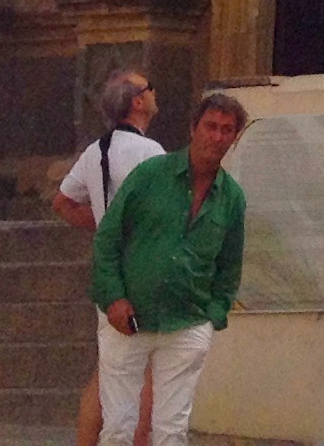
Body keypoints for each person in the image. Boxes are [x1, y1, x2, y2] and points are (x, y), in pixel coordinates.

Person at [91, 90, 250, 446]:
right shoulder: (151, 175)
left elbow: (229, 264)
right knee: (118, 425)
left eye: (227, 129)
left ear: (235, 137)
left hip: (187, 322)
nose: (218, 136)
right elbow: (107, 238)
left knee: (171, 430)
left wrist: (214, 314)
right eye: (210, 126)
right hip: (128, 317)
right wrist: (113, 297)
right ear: (193, 128)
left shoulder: (232, 197)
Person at [56, 71, 164, 446]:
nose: (153, 93)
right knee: (147, 374)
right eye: (149, 88)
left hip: (109, 273)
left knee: (108, 372)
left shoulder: (96, 150)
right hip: (143, 272)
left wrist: (103, 224)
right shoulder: (150, 153)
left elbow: (63, 202)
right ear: (137, 101)